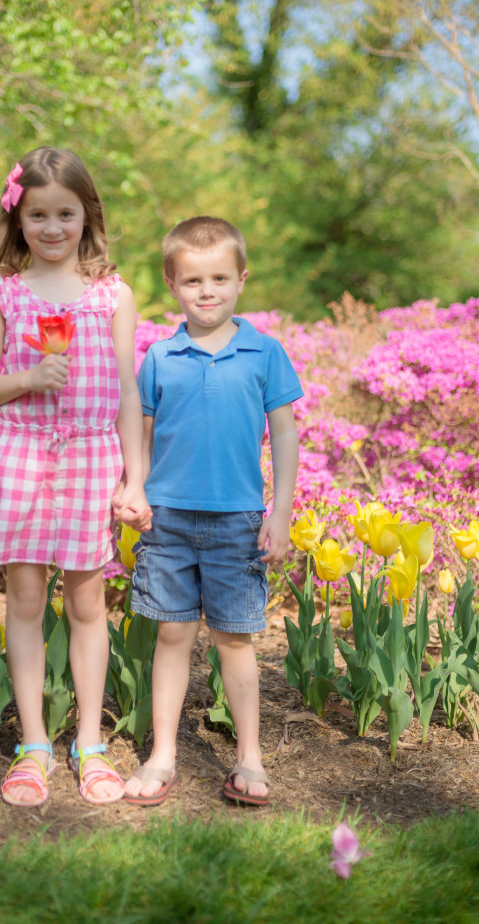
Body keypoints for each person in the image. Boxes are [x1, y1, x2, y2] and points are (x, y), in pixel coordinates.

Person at [0, 147, 151, 808]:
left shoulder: (112, 294)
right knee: (23, 600)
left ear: (86, 215)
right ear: (17, 220)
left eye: (64, 213)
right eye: (37, 214)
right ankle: (35, 745)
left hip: (92, 459)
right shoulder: (5, 294)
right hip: (20, 456)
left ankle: (90, 743)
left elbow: (128, 392)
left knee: (86, 604)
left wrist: (134, 479)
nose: (51, 228)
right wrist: (28, 378)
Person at [120, 215, 302, 807]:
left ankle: (249, 757)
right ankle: (163, 753)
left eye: (220, 278)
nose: (207, 291)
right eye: (193, 280)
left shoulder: (264, 353)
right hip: (168, 520)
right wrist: (135, 488)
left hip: (238, 521)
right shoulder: (160, 357)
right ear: (172, 284)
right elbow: (141, 435)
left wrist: (280, 512)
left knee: (235, 640)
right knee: (172, 634)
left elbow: (284, 435)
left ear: (241, 280)